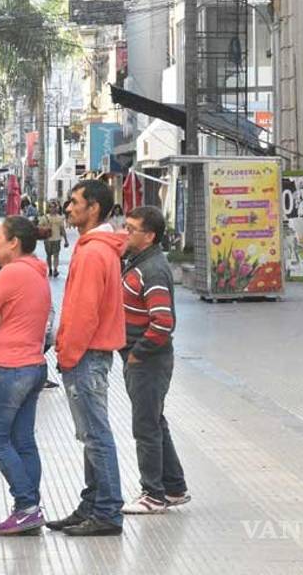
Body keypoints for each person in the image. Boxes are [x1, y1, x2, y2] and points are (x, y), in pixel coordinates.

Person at [47, 179, 127, 537]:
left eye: (74, 202)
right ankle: (93, 504)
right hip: (91, 353)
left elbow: (83, 311)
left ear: (93, 207)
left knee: (96, 435)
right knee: (92, 434)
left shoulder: (94, 252)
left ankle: (107, 510)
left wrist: (68, 353)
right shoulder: (93, 247)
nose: (68, 208)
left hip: (86, 354)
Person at [0, 216, 52, 535]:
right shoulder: (36, 272)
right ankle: (28, 508)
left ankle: (27, 506)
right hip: (33, 364)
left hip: (11, 367)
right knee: (22, 441)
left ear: (14, 242)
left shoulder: (13, 272)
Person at [118, 207, 190, 515]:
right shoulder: (138, 263)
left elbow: (162, 321)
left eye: (131, 229)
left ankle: (153, 494)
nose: (125, 233)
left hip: (148, 359)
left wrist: (137, 353)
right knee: (155, 421)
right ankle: (173, 487)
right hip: (143, 358)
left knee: (145, 426)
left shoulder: (153, 269)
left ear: (149, 236)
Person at [39, 200, 66, 278]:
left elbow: (62, 229)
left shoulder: (60, 218)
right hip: (48, 239)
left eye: (55, 207)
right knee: (48, 255)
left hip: (57, 239)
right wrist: (45, 227)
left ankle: (55, 269)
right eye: (51, 207)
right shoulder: (44, 218)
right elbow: (39, 227)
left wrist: (66, 240)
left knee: (56, 255)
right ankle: (50, 268)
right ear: (49, 208)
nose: (53, 209)